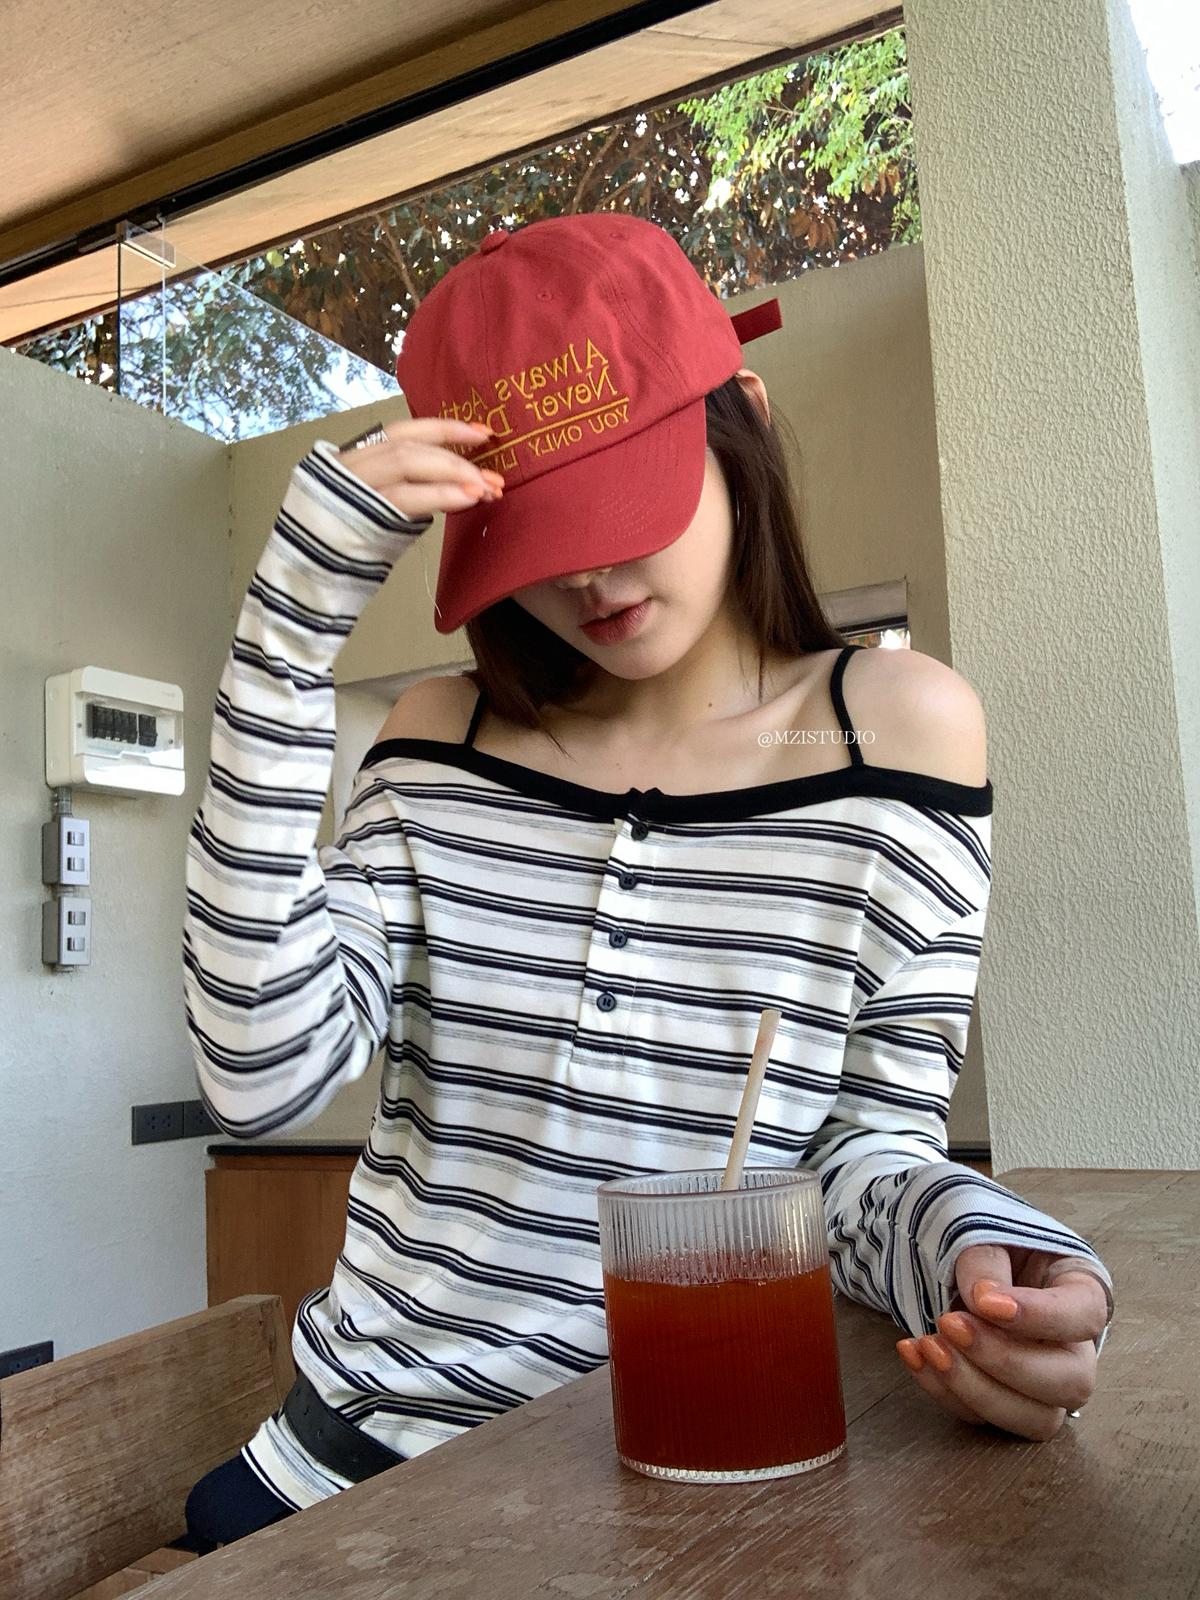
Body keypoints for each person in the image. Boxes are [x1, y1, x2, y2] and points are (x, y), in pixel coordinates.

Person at [180, 212, 1114, 1550]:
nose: (584, 571)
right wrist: (286, 637)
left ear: (744, 417)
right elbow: (259, 1074)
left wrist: (968, 1251)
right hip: (344, 1487)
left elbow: (863, 1153)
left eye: (622, 502)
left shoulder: (897, 735)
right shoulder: (440, 736)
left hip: (687, 1501)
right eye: (533, 530)